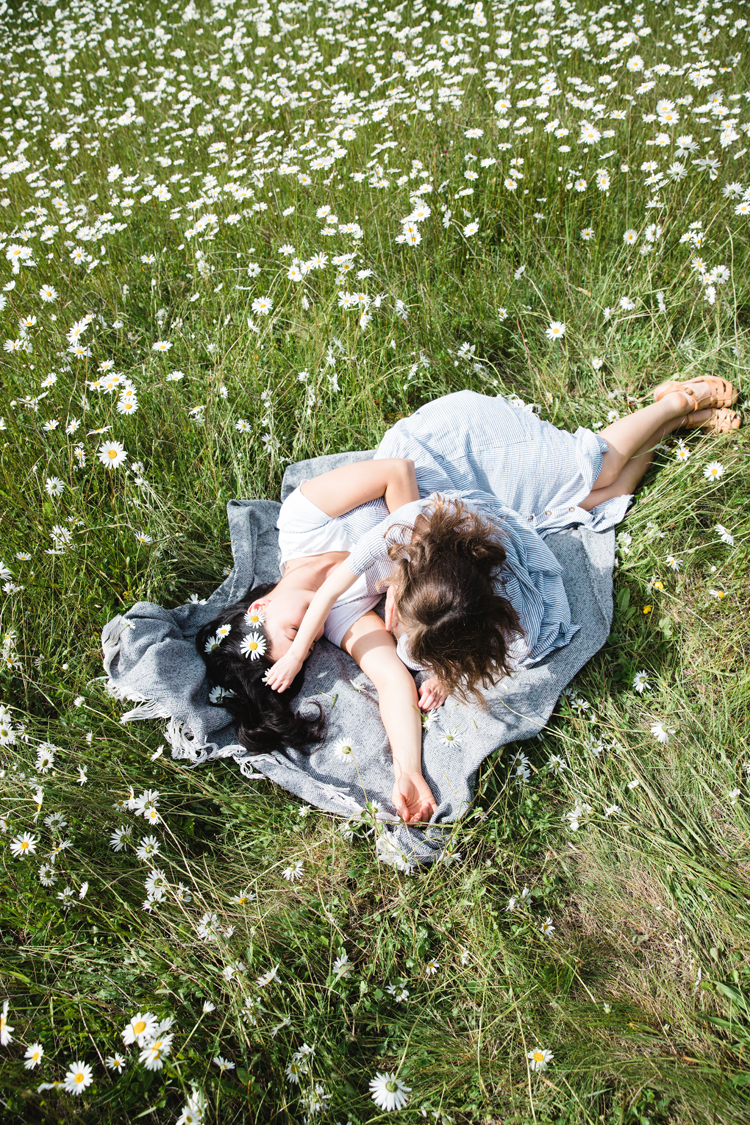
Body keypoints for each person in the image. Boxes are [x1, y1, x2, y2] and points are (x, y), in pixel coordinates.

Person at [202, 378, 740, 825]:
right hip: (473, 522)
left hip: (449, 455)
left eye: (291, 634)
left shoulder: (300, 521)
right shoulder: (343, 616)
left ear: (257, 613)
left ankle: (675, 401)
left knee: (591, 472)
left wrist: (409, 564)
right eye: (306, 647)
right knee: (596, 499)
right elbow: (393, 686)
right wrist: (407, 770)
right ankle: (672, 430)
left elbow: (397, 474)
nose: (311, 636)